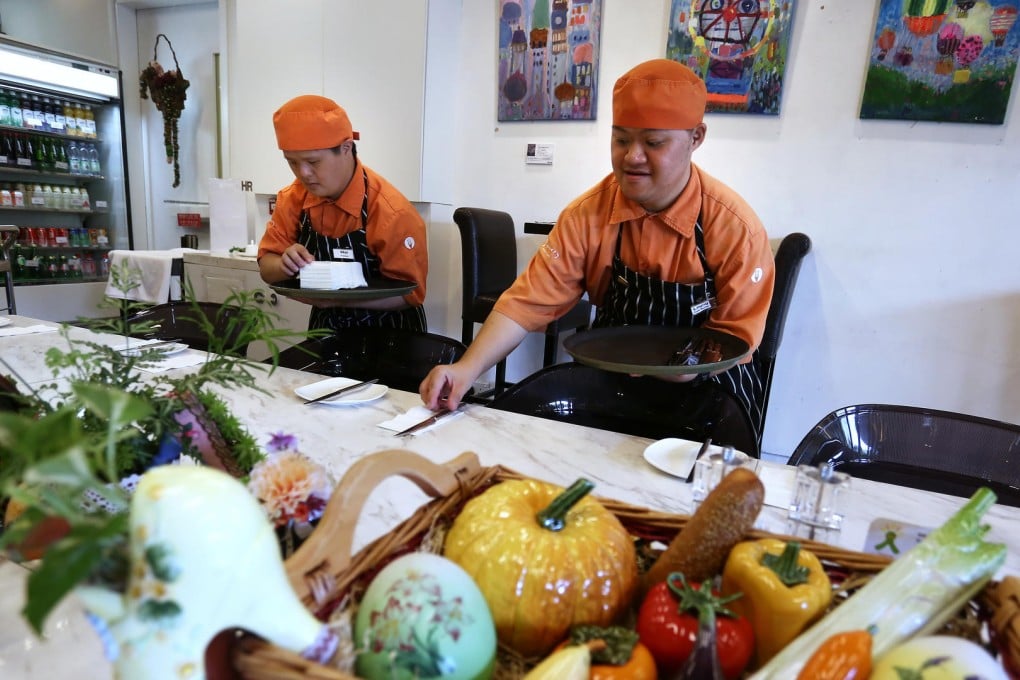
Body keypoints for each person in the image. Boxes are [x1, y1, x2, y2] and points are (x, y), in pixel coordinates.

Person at [421, 59, 775, 436]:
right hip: (613, 383)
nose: (632, 156)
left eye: (653, 142)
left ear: (696, 137)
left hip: (708, 393)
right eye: (621, 140)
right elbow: (525, 304)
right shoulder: (587, 215)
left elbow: (734, 338)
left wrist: (672, 367)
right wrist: (466, 368)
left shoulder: (735, 228)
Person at [257, 95, 428, 332]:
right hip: (325, 328)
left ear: (346, 148)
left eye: (313, 162)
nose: (303, 173)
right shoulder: (292, 199)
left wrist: (336, 300)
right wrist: (284, 265)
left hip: (391, 332)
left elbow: (410, 294)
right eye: (292, 162)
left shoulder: (390, 211)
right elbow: (267, 267)